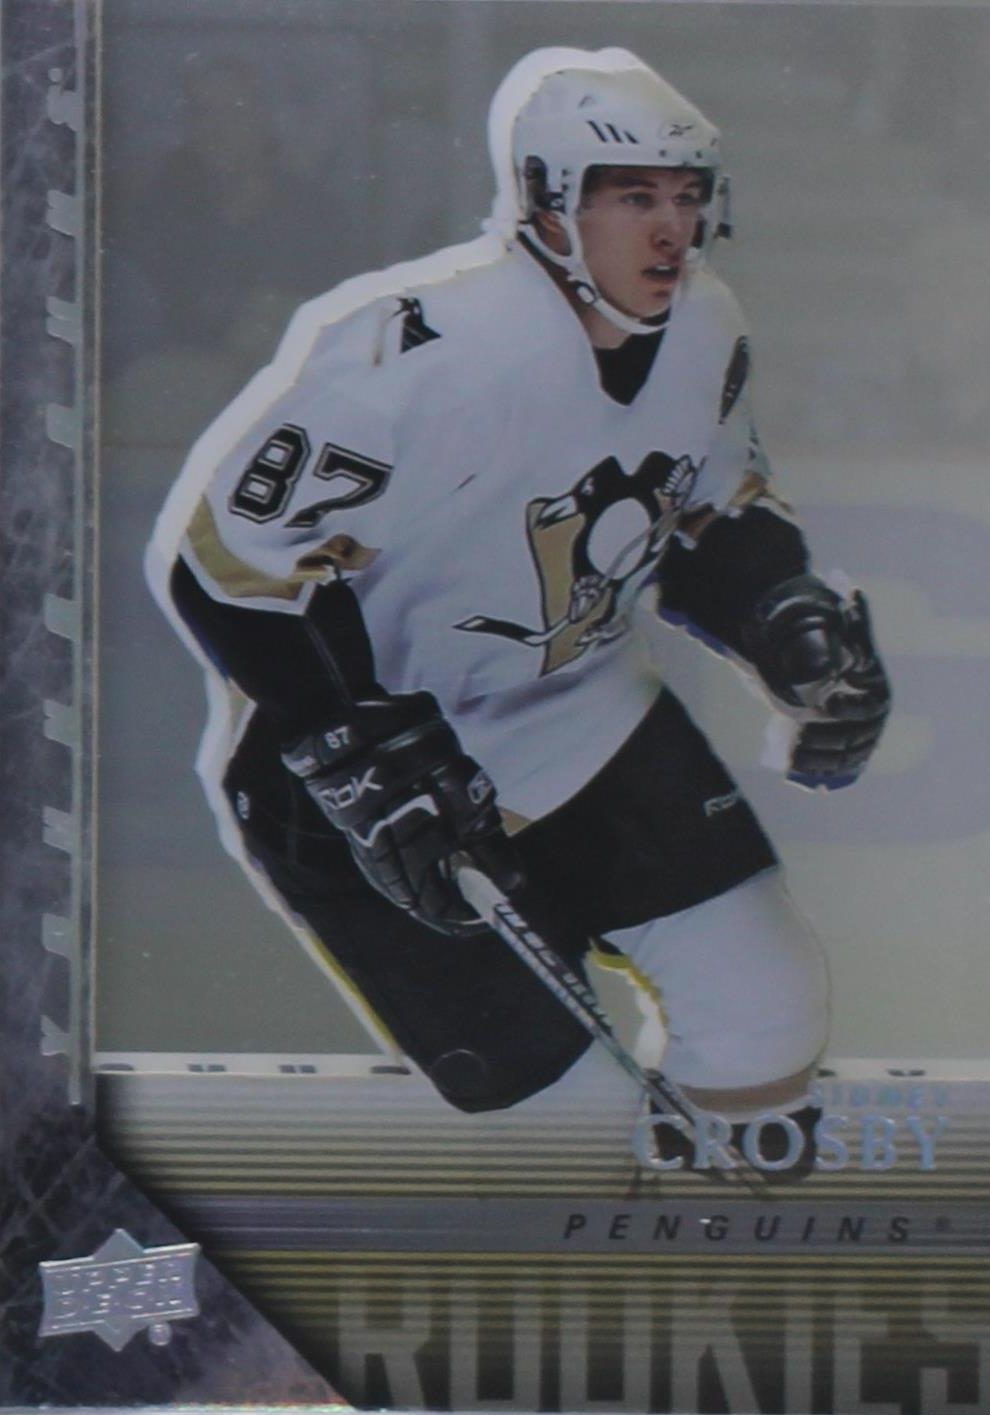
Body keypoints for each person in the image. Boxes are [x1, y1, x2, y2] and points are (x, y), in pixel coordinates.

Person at [147, 47, 890, 1163]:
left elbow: (707, 519)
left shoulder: (707, 327)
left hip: (583, 708)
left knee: (769, 1013)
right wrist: (348, 739)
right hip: (390, 761)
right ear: (548, 203)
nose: (670, 229)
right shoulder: (418, 351)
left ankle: (731, 1240)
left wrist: (785, 619)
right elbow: (226, 564)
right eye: (633, 196)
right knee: (566, 1137)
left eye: (686, 195)